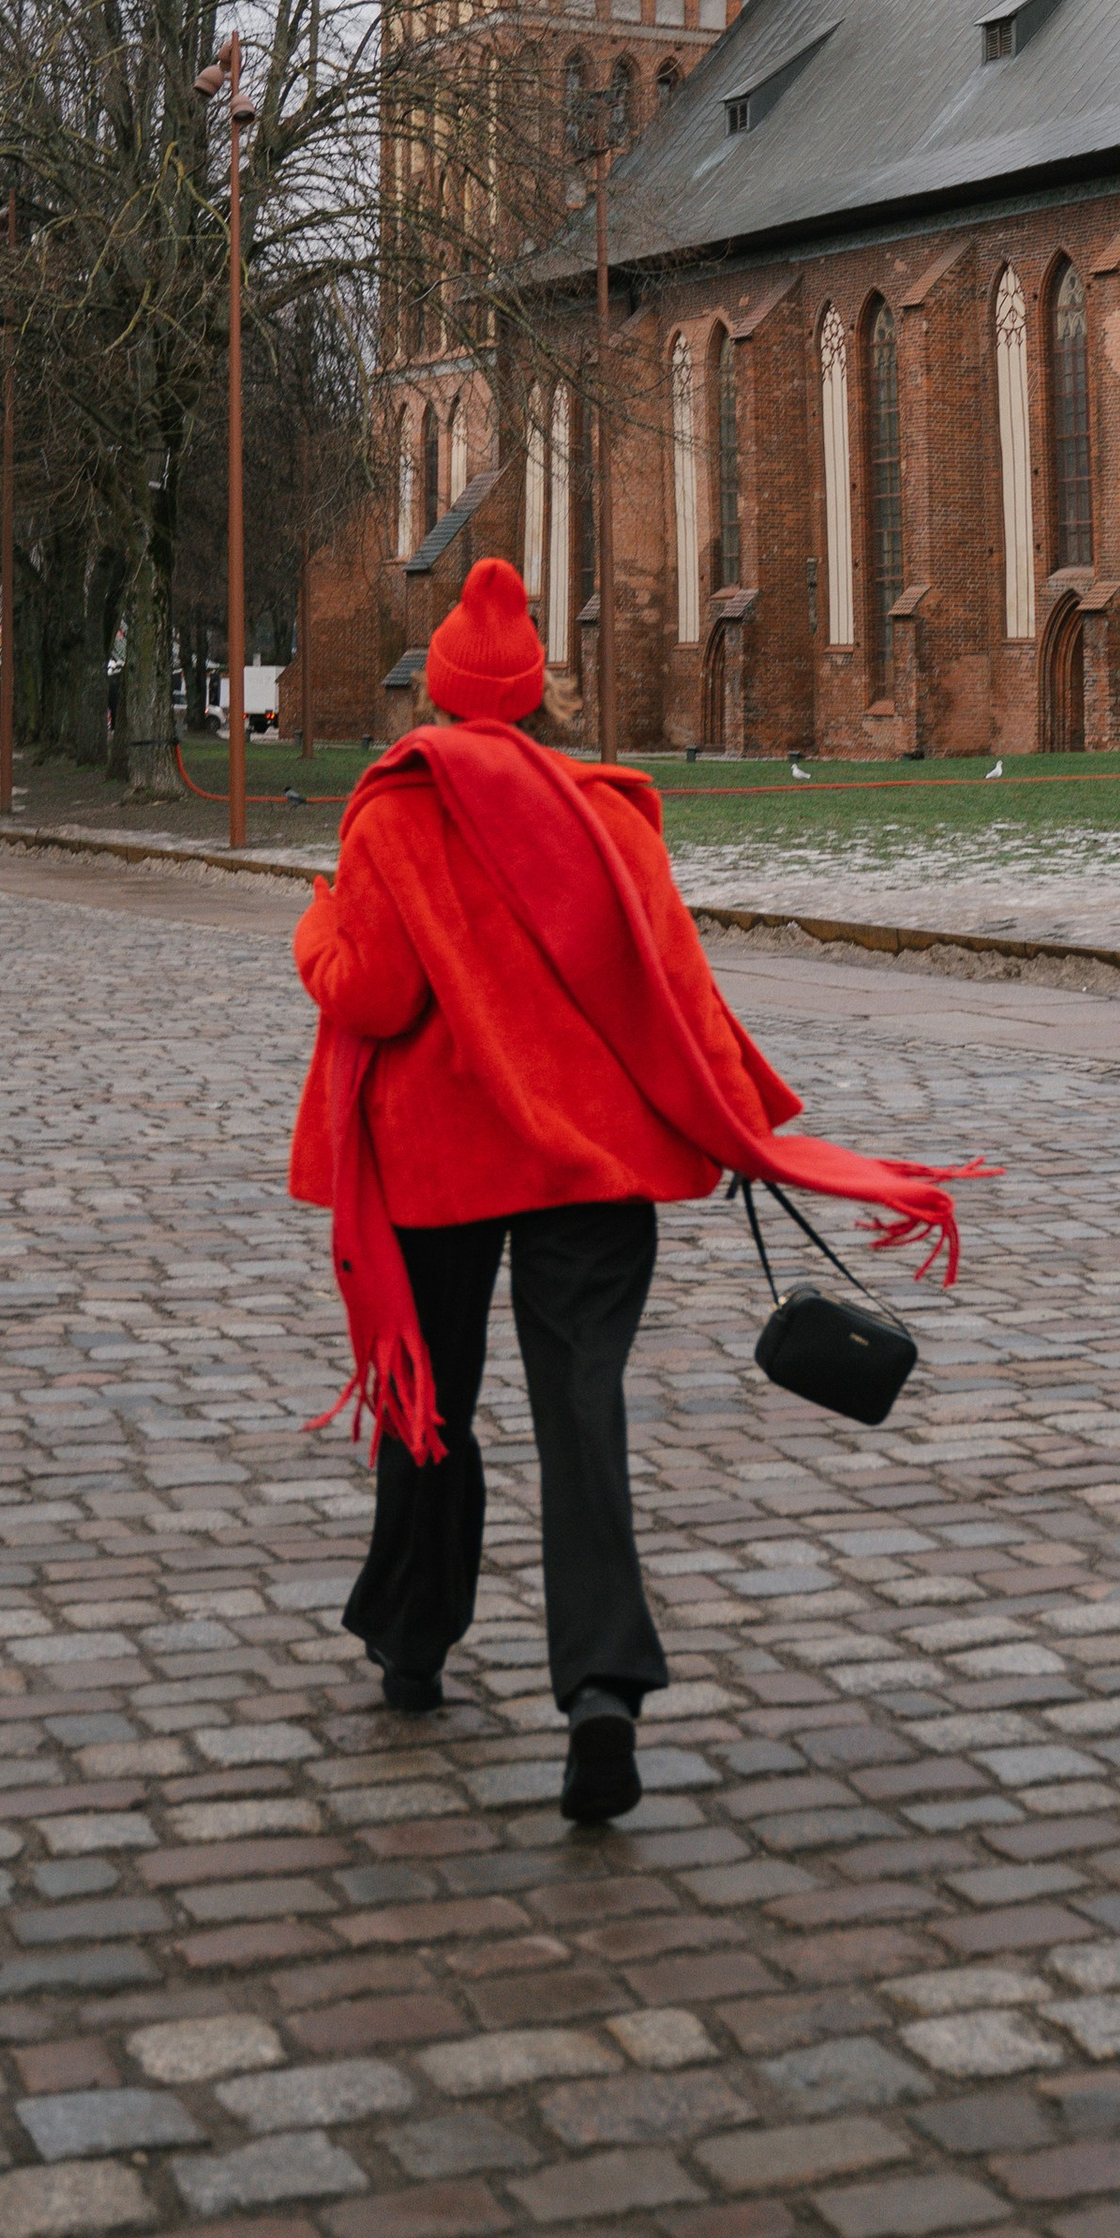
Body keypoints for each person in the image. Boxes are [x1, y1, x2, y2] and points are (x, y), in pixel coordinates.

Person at [289, 555, 981, 1826]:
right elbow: (674, 992)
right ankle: (602, 1686)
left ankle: (412, 1643)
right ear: (540, 695)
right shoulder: (609, 813)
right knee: (581, 1414)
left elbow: (374, 993)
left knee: (429, 1402)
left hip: (440, 1163)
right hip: (589, 1172)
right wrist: (732, 1119)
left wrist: (314, 929)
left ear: (437, 698)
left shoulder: (396, 810)